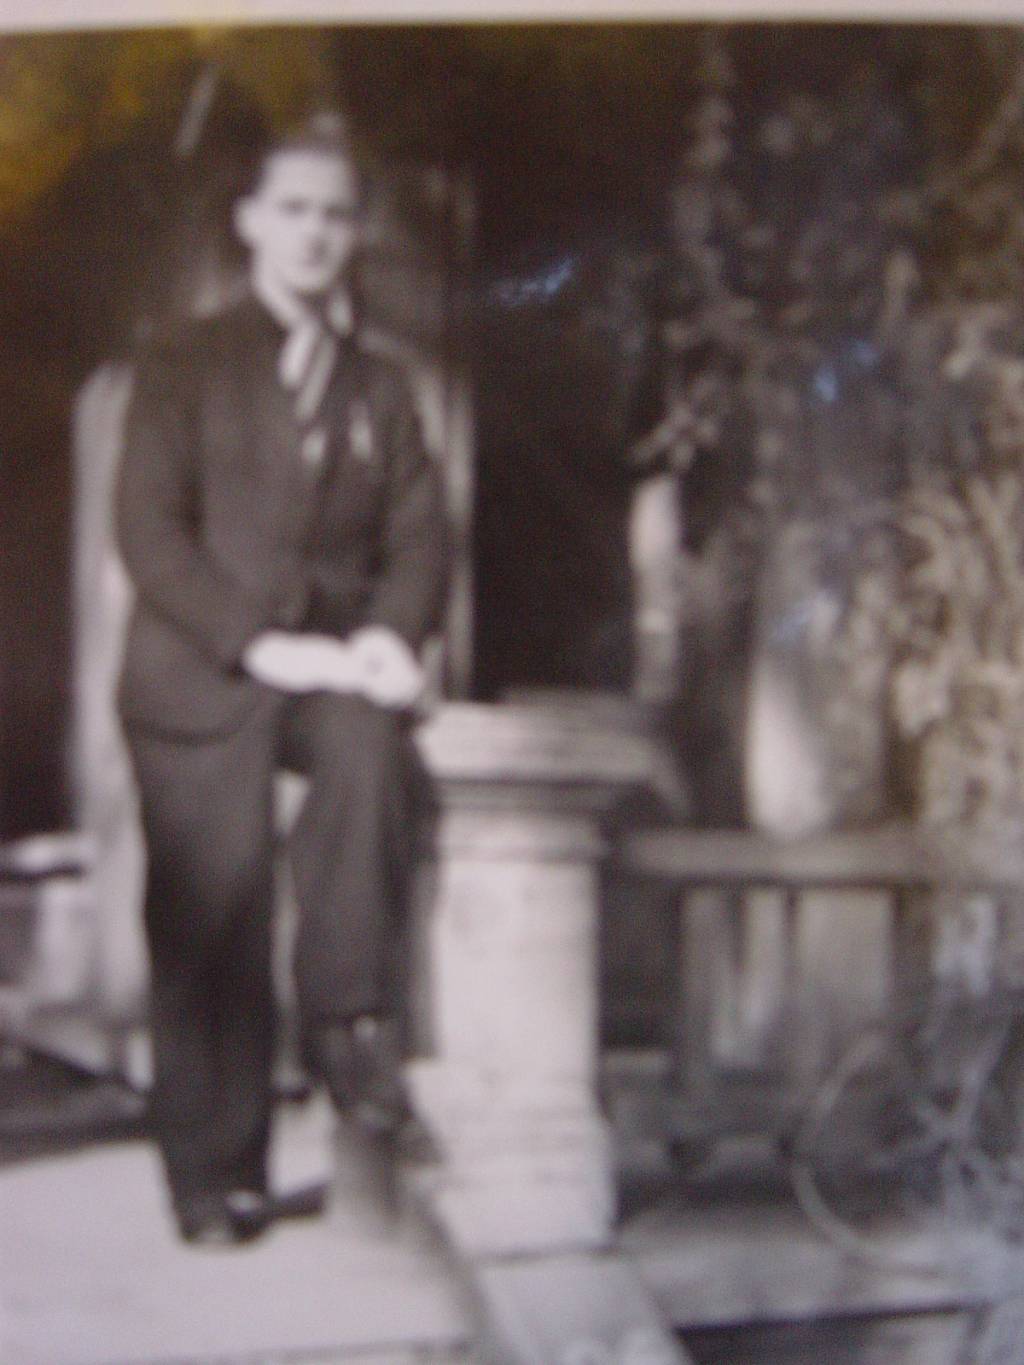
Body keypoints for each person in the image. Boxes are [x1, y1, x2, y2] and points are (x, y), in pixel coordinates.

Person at [116, 114, 450, 1245]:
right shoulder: (184, 361)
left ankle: (348, 1020)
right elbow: (149, 532)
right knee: (216, 904)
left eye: (336, 216)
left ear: (357, 234)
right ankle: (215, 1175)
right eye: (293, 210)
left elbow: (419, 535)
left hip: (323, 667)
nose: (314, 235)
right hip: (200, 671)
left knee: (368, 741)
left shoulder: (381, 387)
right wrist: (255, 641)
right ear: (252, 222)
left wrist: (392, 637)